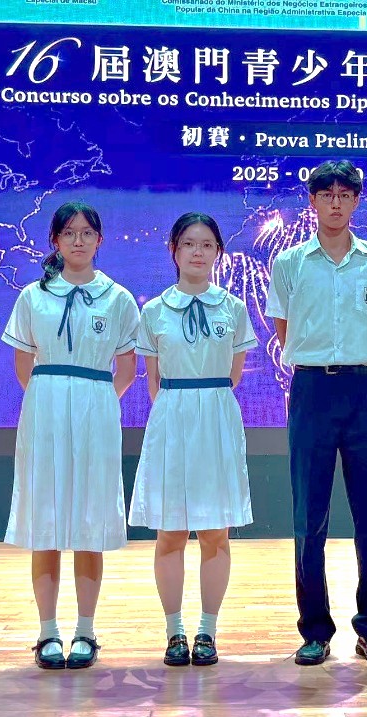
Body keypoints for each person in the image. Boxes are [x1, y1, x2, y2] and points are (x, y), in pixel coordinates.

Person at [266, 160, 367, 665]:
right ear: (313, 201)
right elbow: (284, 328)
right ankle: (315, 631)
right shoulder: (290, 263)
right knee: (309, 518)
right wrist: (320, 361)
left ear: (357, 201)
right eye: (327, 195)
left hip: (364, 390)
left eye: (346, 194)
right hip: (312, 390)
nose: (336, 203)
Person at [1, 201, 139, 669]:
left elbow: (126, 370)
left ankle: (85, 631)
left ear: (100, 240)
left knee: (88, 523)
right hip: (45, 412)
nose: (78, 241)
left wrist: (93, 404)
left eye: (86, 233)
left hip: (96, 412)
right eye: (69, 233)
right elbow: (24, 365)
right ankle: (46, 632)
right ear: (55, 241)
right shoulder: (32, 297)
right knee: (45, 520)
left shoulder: (118, 298)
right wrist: (53, 401)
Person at [129, 212, 257, 667]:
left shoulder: (234, 309)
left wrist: (206, 403)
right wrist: (179, 410)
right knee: (170, 532)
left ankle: (207, 630)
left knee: (215, 532)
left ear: (218, 252)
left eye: (206, 244)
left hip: (217, 417)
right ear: (174, 250)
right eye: (188, 243)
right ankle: (174, 631)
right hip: (172, 419)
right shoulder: (154, 311)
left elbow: (234, 375)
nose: (197, 252)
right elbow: (152, 380)